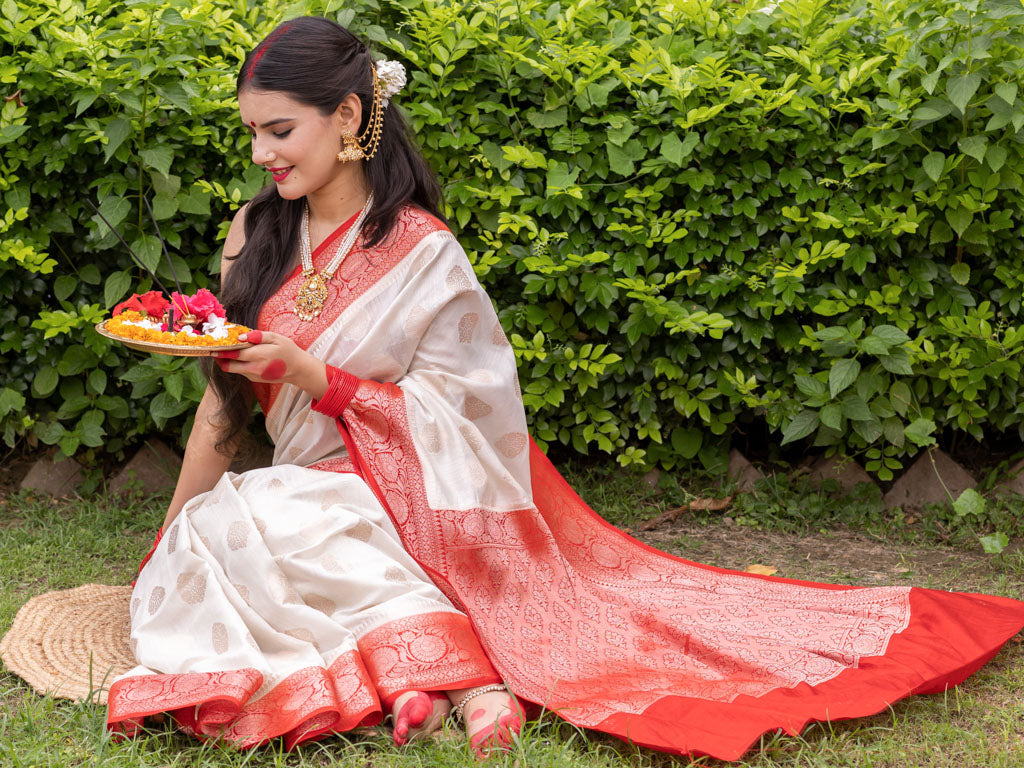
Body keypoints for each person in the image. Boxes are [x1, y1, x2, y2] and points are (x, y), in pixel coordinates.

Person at [107, 16, 1024, 762]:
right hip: (302, 491)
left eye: (280, 129)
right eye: (253, 134)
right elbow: (223, 408)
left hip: (411, 498)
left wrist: (322, 379)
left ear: (348, 118)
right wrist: (165, 537)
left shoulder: (420, 250)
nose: (264, 154)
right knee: (219, 531)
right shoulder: (252, 235)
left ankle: (461, 680)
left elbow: (475, 415)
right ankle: (434, 675)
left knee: (280, 527)